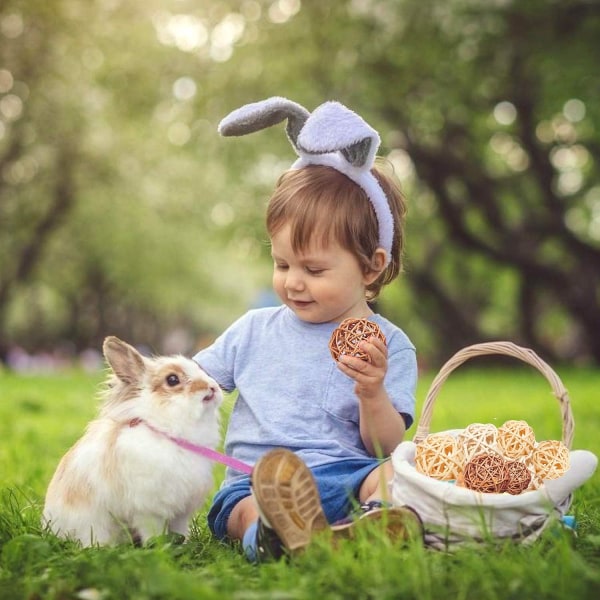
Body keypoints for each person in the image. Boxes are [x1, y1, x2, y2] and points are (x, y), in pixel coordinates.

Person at [193, 97, 422, 561]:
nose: (293, 281)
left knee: (396, 472)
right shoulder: (253, 330)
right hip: (259, 478)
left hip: (349, 475)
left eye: (314, 270)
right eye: (281, 263)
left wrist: (372, 392)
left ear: (371, 266)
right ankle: (276, 534)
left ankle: (372, 523)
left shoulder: (390, 347)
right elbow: (194, 383)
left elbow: (383, 445)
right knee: (246, 508)